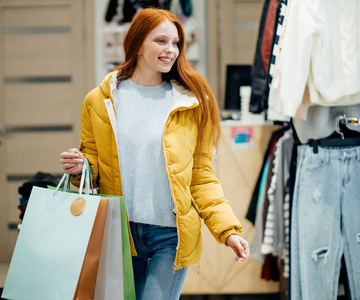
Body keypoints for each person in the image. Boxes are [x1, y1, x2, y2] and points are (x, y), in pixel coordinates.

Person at [60, 7, 250, 300]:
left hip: (170, 237)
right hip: (120, 234)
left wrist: (228, 231)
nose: (171, 50)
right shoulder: (99, 101)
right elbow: (95, 167)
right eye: (160, 41)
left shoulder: (189, 103)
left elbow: (200, 177)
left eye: (175, 43)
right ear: (137, 44)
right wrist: (80, 166)